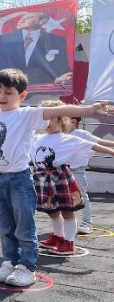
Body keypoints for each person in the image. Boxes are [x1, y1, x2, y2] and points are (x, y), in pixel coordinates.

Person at [0, 68, 113, 287]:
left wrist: (89, 110)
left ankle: (27, 268)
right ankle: (10, 262)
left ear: (22, 95)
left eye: (8, 92)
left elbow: (60, 109)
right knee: (4, 227)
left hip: (18, 180)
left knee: (24, 227)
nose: (1, 97)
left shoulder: (26, 115)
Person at [33, 100, 114, 255]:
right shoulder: (37, 138)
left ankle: (68, 243)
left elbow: (93, 145)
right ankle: (58, 237)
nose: (46, 122)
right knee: (52, 211)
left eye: (50, 118)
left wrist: (112, 152)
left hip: (60, 178)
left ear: (61, 120)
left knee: (67, 211)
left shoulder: (69, 139)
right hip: (42, 179)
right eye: (43, 118)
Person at [0, 10, 72, 93]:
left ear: (42, 21)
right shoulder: (1, 40)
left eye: (28, 18)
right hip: (5, 91)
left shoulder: (56, 40)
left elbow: (61, 66)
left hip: (41, 92)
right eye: (22, 18)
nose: (22, 20)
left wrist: (66, 76)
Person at [66, 117, 114, 234]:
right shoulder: (60, 134)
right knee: (64, 197)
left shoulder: (81, 134)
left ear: (74, 122)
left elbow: (100, 142)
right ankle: (69, 223)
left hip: (77, 170)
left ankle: (86, 223)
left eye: (64, 118)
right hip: (62, 170)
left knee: (81, 196)